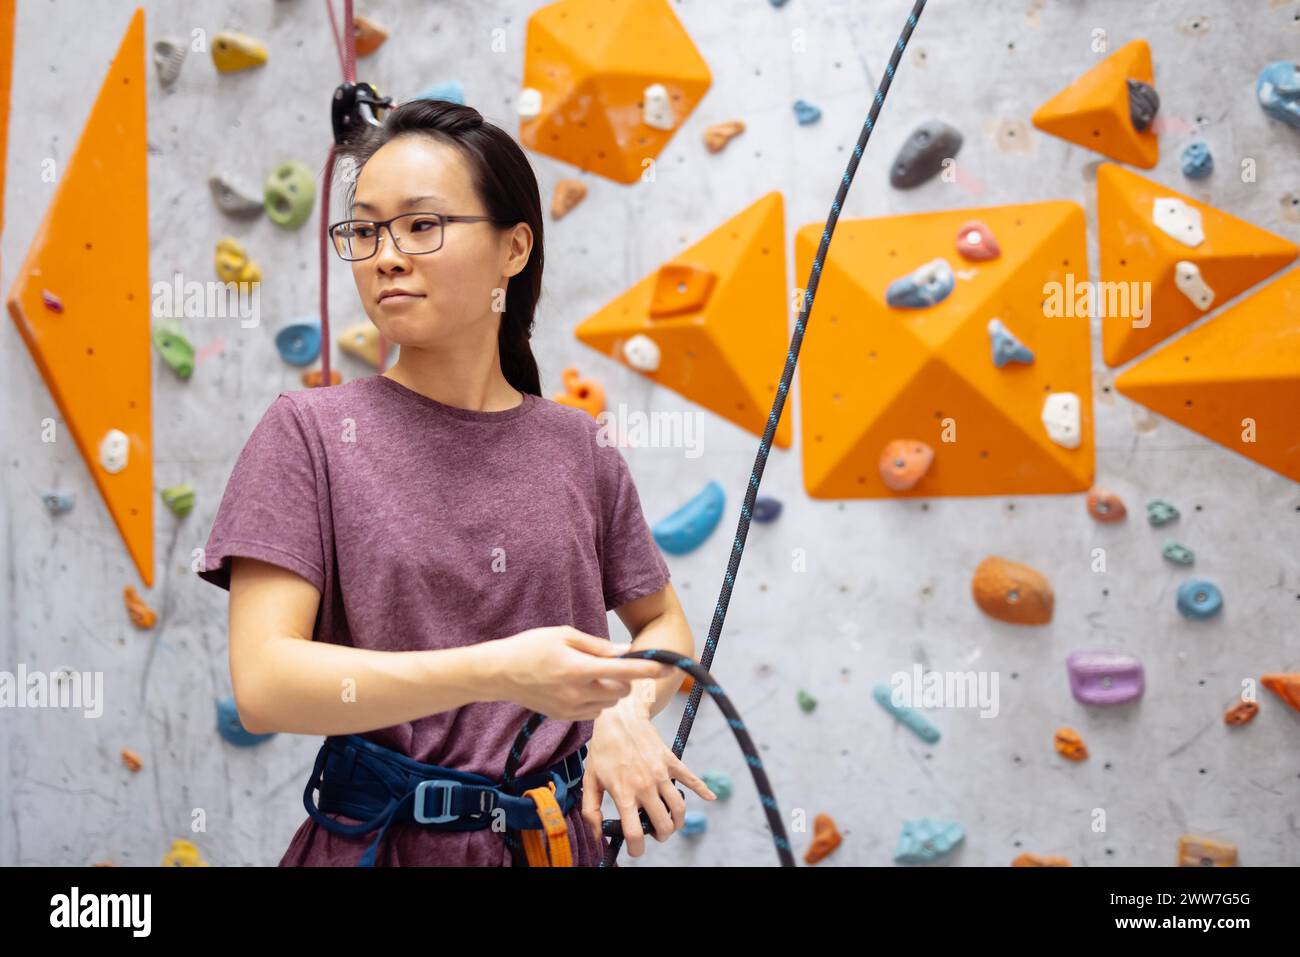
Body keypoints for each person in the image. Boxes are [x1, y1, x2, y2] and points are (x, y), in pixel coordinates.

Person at [196, 99, 715, 866]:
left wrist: (626, 710)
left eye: (421, 224)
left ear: (514, 247)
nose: (387, 254)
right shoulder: (307, 434)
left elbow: (664, 627)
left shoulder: (579, 446)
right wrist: (502, 669)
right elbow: (267, 682)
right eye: (366, 229)